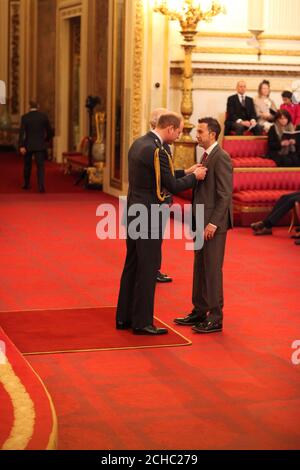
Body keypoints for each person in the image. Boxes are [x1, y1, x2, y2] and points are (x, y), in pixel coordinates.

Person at [116, 112, 207, 335]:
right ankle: (142, 323)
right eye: (178, 131)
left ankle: (124, 317)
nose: (178, 135)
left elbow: (156, 176)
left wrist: (185, 171)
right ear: (169, 128)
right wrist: (194, 177)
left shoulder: (139, 143)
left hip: (134, 210)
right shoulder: (158, 150)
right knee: (148, 269)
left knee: (132, 266)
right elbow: (171, 186)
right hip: (149, 214)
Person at [174, 117, 233, 334]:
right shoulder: (205, 155)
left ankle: (215, 317)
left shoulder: (222, 157)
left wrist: (213, 224)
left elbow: (224, 195)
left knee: (212, 269)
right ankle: (199, 310)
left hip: (212, 224)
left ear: (213, 134)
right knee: (200, 266)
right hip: (200, 220)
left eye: (201, 131)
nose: (197, 134)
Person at [149, 107, 173, 283]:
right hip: (154, 200)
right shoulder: (154, 146)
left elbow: (169, 172)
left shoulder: (164, 144)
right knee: (153, 238)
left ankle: (154, 268)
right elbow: (164, 177)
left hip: (163, 198)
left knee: (158, 237)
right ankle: (153, 270)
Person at [19, 100, 52, 192]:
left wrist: (21, 146)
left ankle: (26, 184)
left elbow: (22, 133)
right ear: (38, 106)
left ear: (29, 107)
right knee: (40, 166)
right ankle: (41, 186)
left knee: (27, 165)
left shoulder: (25, 117)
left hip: (28, 145)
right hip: (40, 145)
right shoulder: (43, 117)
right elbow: (49, 131)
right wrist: (46, 140)